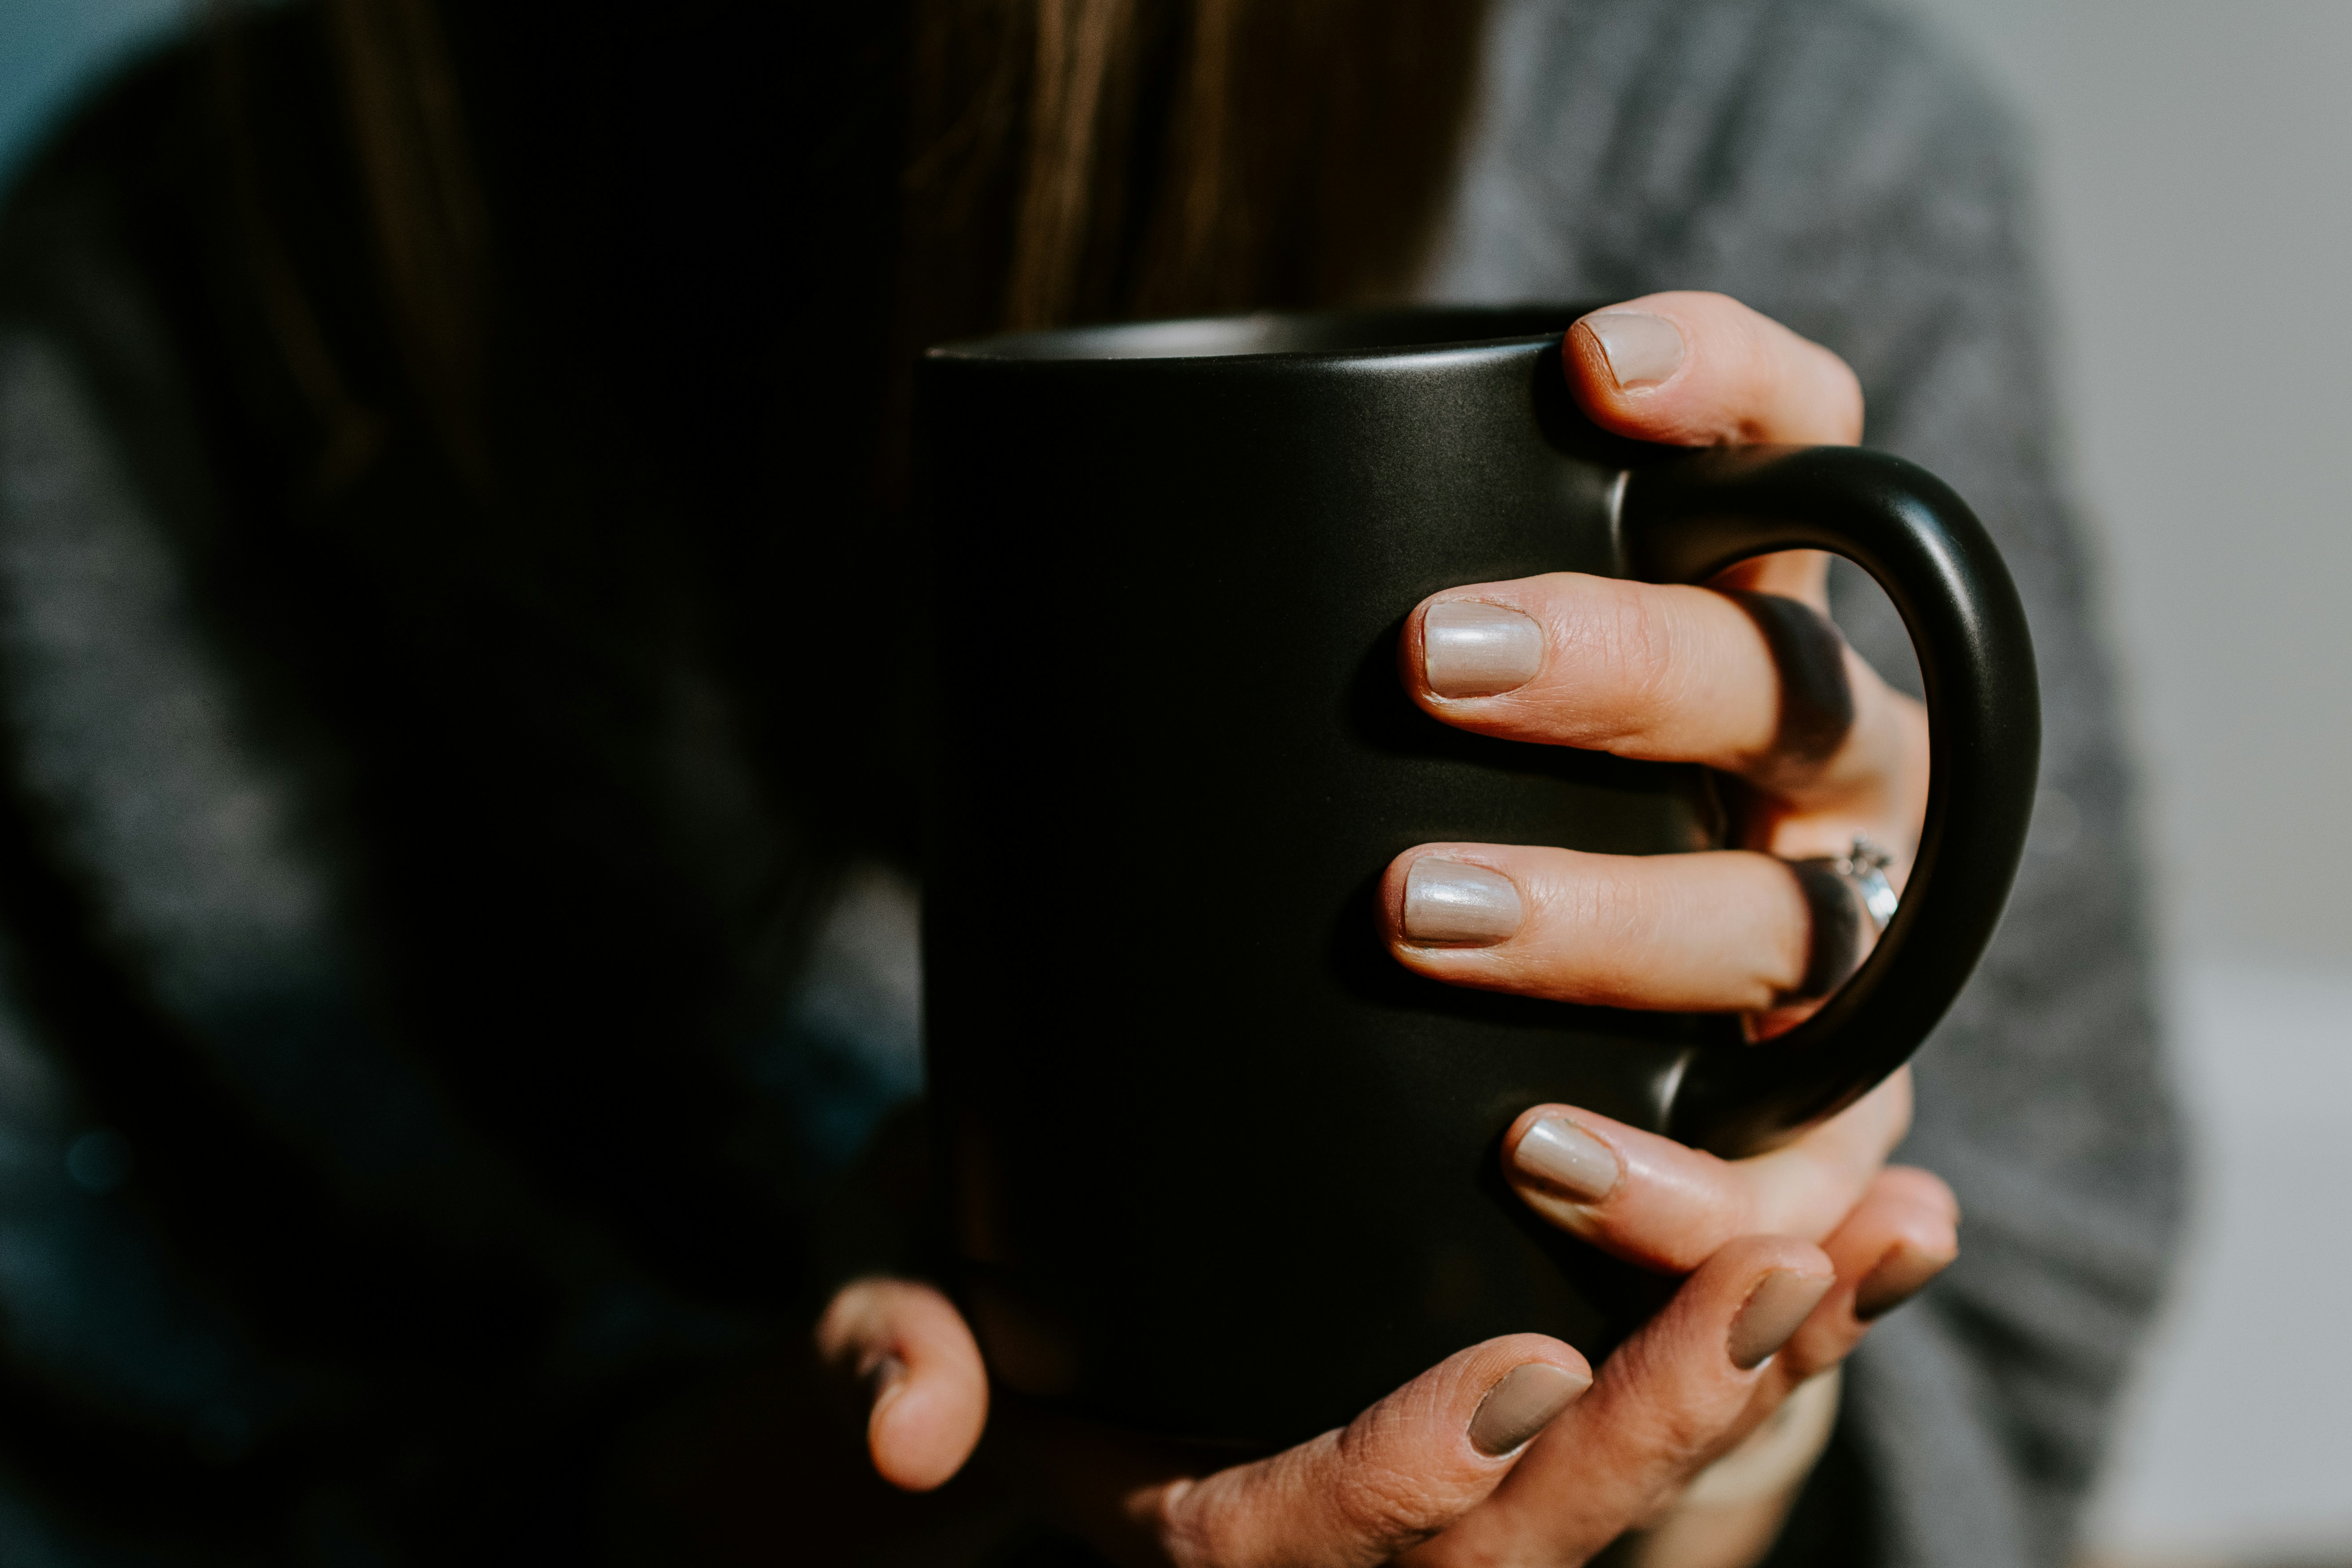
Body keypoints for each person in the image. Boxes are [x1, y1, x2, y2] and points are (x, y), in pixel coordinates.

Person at [0, 0, 2178, 1564]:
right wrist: (740, 1503)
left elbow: (2030, 1363)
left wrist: (1714, 1430)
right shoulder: (184, 305)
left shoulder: (1761, 140)